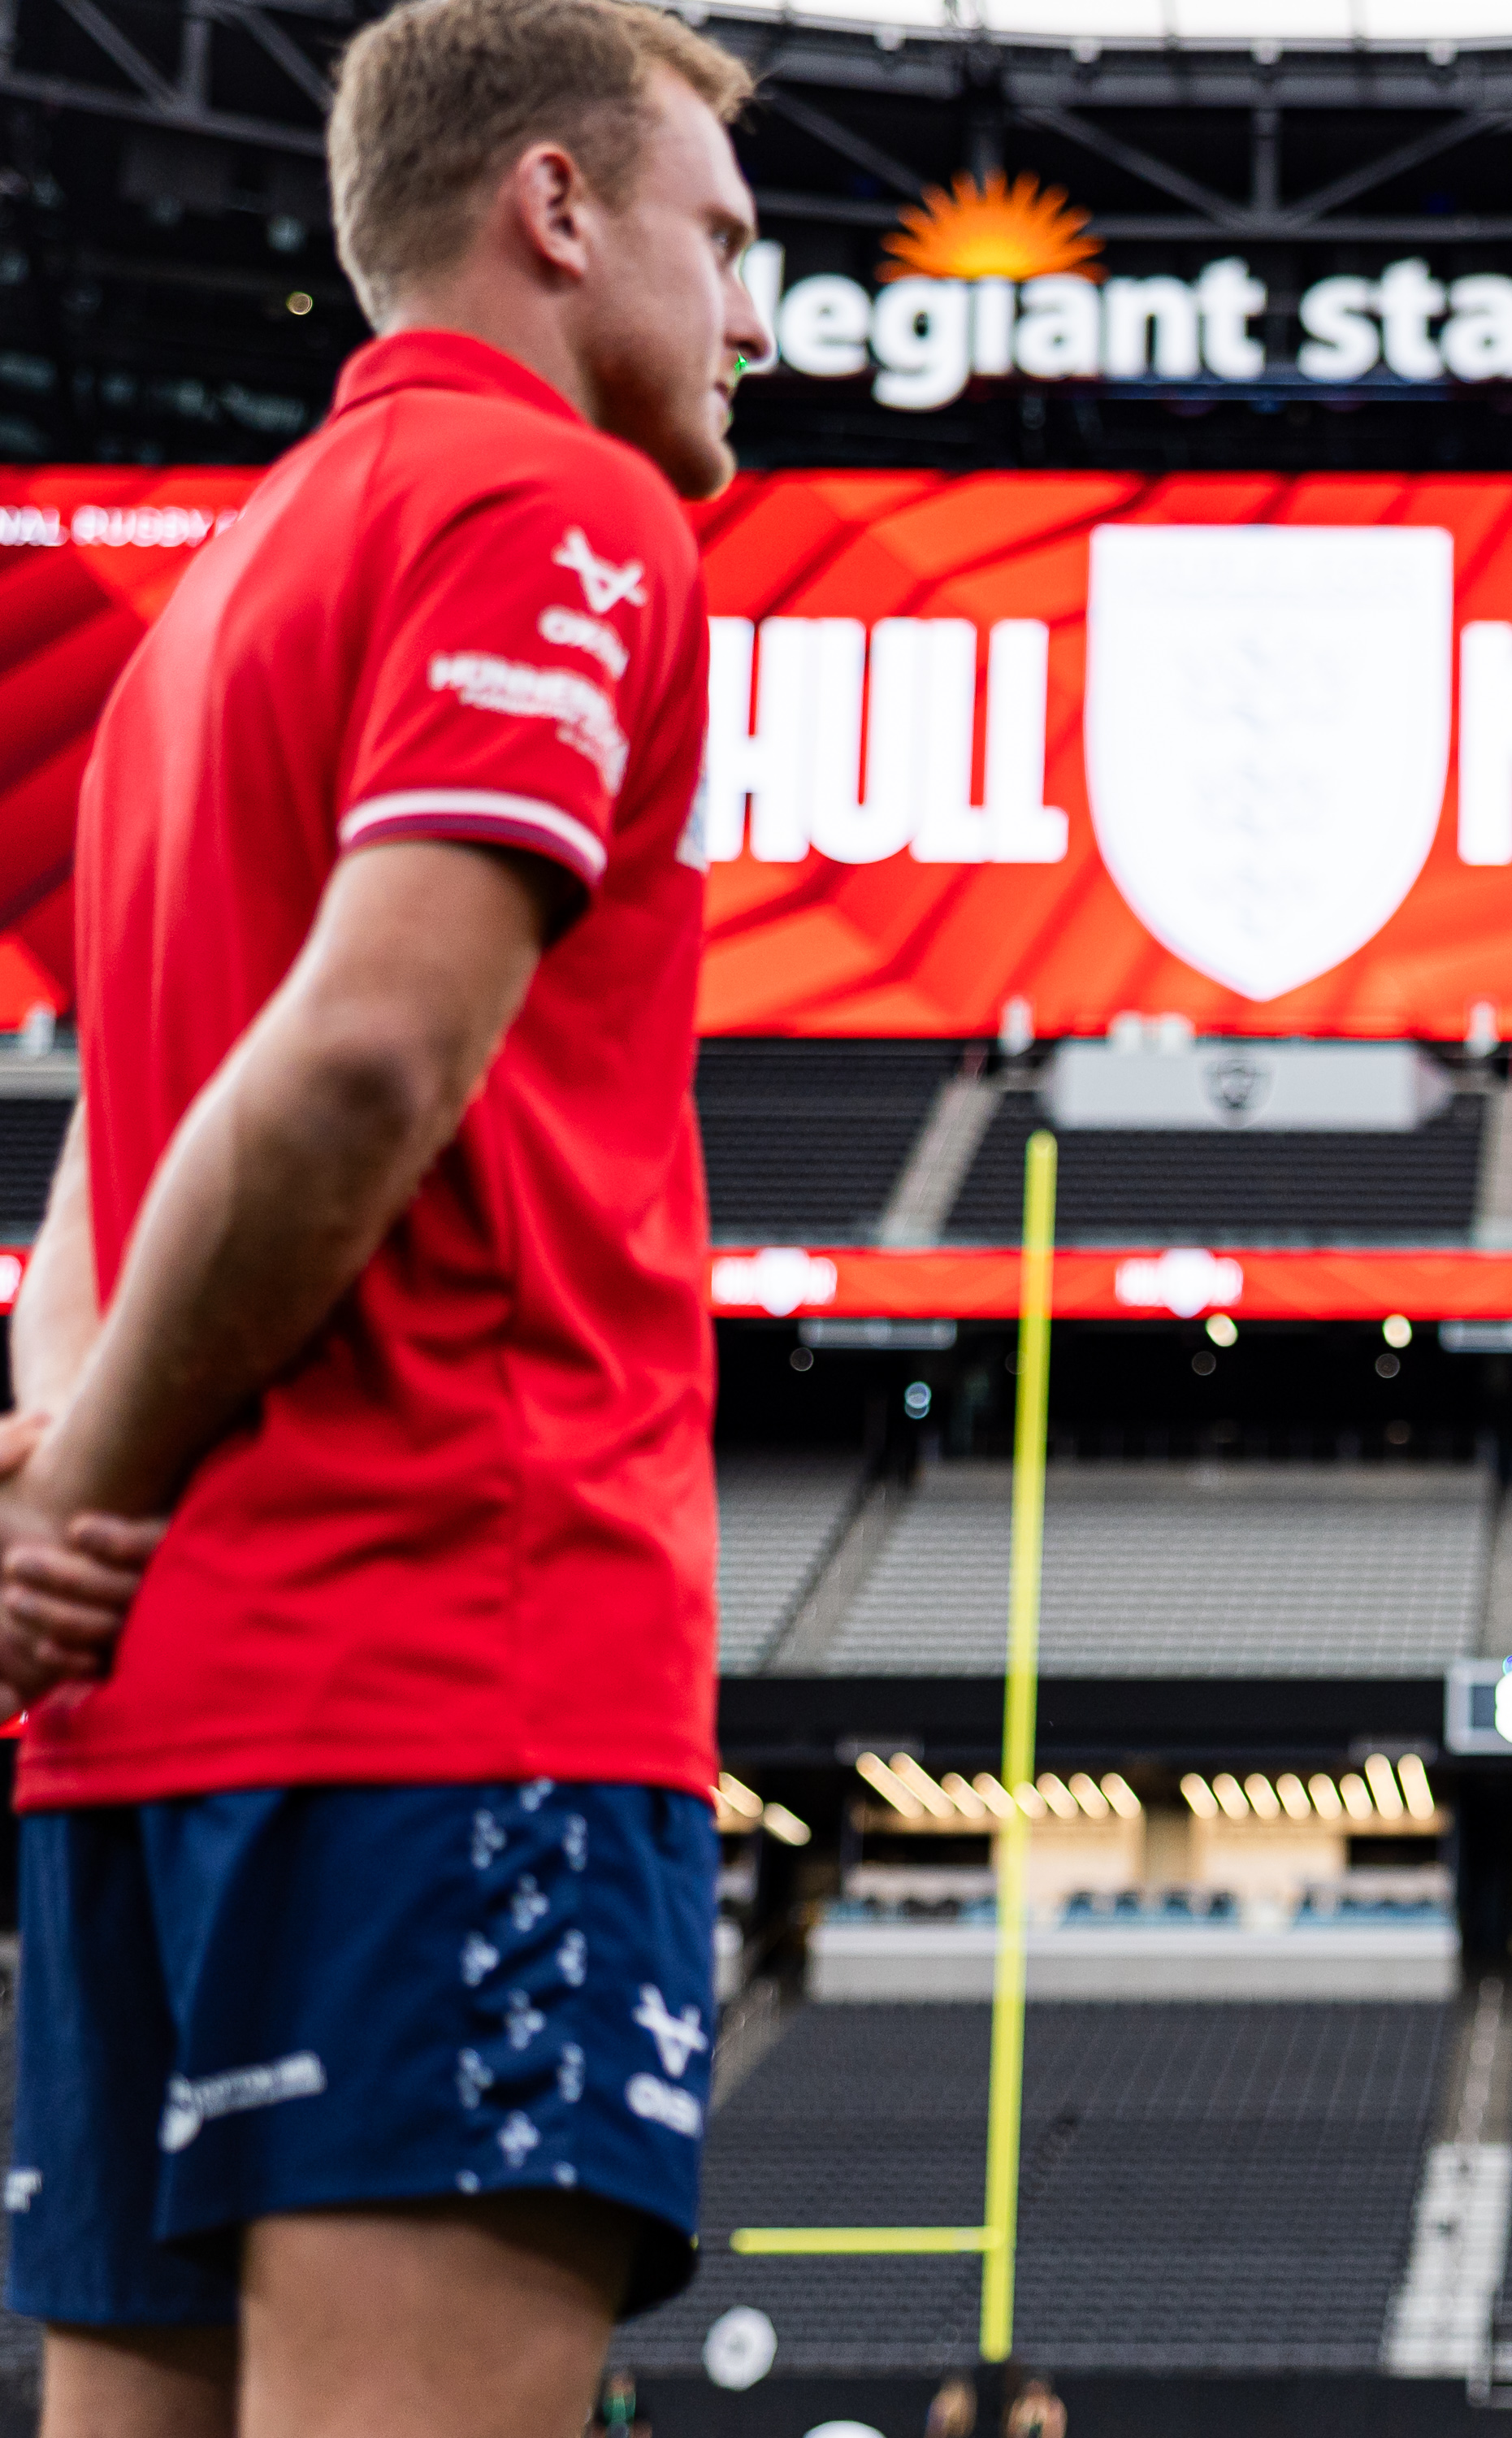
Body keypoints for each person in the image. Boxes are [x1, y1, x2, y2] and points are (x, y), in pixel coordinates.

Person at [2, 0, 768, 2431]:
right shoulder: (556, 510)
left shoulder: (201, 615)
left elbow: (111, 1155)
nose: (757, 312)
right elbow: (364, 1052)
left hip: (143, 1737)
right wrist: (94, 1485)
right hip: (454, 1665)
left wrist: (51, 1500)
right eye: (723, 238)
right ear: (555, 208)